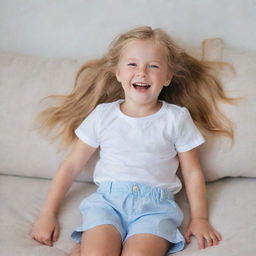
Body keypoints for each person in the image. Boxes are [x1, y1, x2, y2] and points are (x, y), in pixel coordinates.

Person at [31, 26, 235, 255]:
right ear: (118, 73)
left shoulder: (176, 118)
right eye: (132, 64)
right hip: (107, 204)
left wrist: (199, 218)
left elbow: (193, 172)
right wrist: (47, 214)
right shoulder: (103, 115)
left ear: (167, 77)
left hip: (156, 210)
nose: (142, 72)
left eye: (153, 66)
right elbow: (71, 166)